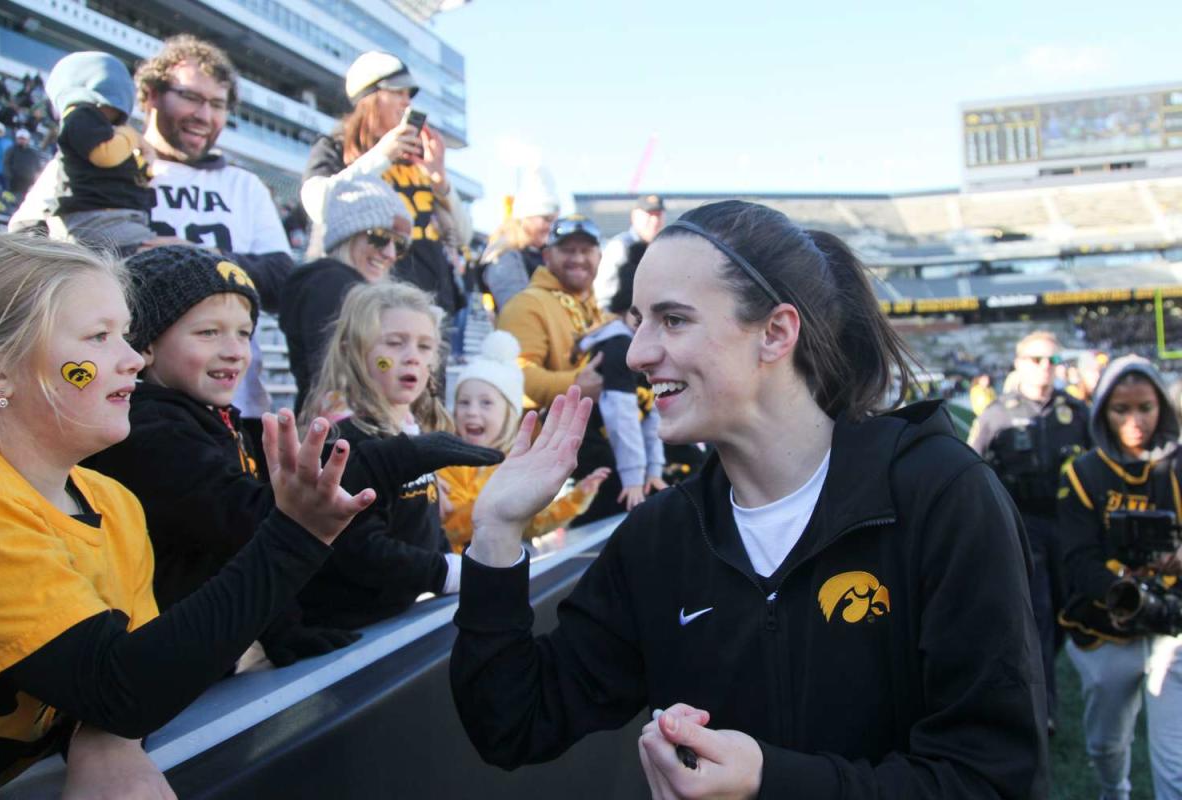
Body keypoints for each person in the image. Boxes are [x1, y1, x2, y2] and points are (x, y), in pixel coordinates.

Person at [452, 200, 1047, 798]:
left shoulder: (939, 496)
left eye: (673, 319)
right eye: (638, 320)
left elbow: (992, 778)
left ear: (776, 333)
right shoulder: (659, 538)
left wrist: (772, 781)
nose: (636, 354)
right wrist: (498, 532)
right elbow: (513, 723)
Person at [0, 231, 381, 794]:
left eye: (125, 334)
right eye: (99, 338)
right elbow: (120, 688)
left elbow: (138, 674)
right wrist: (295, 536)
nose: (129, 358)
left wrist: (103, 737)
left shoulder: (111, 502)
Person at [12, 35, 294, 438]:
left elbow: (281, 279)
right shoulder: (86, 164)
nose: (204, 114)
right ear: (149, 96)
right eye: (190, 97)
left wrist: (190, 257)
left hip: (234, 407)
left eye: (217, 104)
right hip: (112, 400)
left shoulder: (244, 185)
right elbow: (23, 247)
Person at [296, 281, 488, 628]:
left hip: (394, 620)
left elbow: (423, 528)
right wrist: (444, 572)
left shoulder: (411, 430)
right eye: (395, 343)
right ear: (355, 351)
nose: (413, 356)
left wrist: (448, 559)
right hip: (346, 633)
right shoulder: (344, 441)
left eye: (425, 346)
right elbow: (357, 548)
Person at [1057, 355, 1182, 800]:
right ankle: (1116, 792)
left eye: (1145, 408)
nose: (1135, 421)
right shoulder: (1083, 473)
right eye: (1121, 410)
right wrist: (1124, 584)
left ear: (1162, 408)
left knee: (1175, 761)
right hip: (1107, 627)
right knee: (1107, 745)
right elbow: (1077, 559)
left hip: (1172, 624)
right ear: (1103, 411)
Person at [969, 330, 1090, 733]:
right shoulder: (997, 414)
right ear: (1019, 364)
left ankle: (1047, 685)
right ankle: (1045, 710)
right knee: (1036, 616)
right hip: (1022, 524)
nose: (1045, 368)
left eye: (1052, 361)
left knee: (1065, 613)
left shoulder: (1076, 411)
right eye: (1036, 360)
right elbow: (972, 469)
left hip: (1070, 525)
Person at [301, 50, 470, 318]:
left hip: (431, 306)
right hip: (368, 305)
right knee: (381, 363)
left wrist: (440, 180)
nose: (407, 103)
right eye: (398, 92)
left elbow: (463, 237)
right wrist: (382, 156)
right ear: (370, 97)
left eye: (409, 95)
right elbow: (317, 204)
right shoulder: (336, 145)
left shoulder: (418, 158)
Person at [439, 330, 609, 553]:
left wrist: (576, 497)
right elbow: (451, 527)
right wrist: (501, 511)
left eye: (486, 403)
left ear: (509, 413)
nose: (471, 411)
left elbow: (534, 523)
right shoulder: (445, 462)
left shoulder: (514, 463)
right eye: (463, 402)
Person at [279, 174, 412, 415]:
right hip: (342, 433)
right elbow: (340, 373)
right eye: (379, 237)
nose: (390, 253)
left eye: (399, 244)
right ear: (347, 234)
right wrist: (394, 364)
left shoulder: (336, 284)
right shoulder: (333, 285)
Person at [43, 51, 156, 255]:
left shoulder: (106, 130)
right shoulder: (82, 114)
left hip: (112, 219)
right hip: (98, 220)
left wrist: (145, 161)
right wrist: (130, 135)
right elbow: (105, 155)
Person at [495, 215, 606, 411]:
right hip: (539, 438)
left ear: (599, 256)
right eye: (567, 250)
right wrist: (576, 385)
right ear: (546, 256)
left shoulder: (600, 312)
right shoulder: (526, 304)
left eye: (586, 250)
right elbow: (515, 374)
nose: (578, 258)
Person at [571, 299, 667, 524]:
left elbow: (653, 416)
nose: (646, 325)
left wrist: (653, 470)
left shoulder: (653, 348)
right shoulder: (618, 346)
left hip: (620, 452)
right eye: (639, 316)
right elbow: (621, 416)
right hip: (592, 451)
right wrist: (633, 476)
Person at [480, 166, 559, 310]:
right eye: (546, 219)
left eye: (554, 220)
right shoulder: (505, 256)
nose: (551, 226)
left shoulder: (544, 253)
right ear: (525, 218)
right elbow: (518, 308)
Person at [594, 194, 666, 312]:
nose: (654, 221)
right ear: (635, 216)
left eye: (658, 215)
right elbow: (604, 296)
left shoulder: (664, 248)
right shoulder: (620, 246)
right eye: (649, 215)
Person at [2, 128, 41, 201]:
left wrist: (34, 179)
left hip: (27, 181)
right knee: (10, 199)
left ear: (28, 140)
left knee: (23, 200)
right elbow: (6, 163)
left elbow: (37, 167)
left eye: (24, 139)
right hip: (13, 180)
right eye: (20, 138)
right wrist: (8, 175)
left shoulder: (32, 153)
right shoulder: (11, 150)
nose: (22, 140)